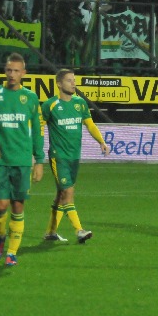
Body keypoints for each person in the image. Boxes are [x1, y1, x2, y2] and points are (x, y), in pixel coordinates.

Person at [0, 52, 44, 267]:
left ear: (24, 73)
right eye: (9, 70)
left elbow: (38, 131)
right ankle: (0, 234)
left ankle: (12, 252)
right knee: (1, 205)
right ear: (5, 71)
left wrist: (39, 160)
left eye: (16, 71)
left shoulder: (31, 98)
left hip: (22, 160)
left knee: (17, 206)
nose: (12, 74)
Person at [40, 69, 108, 243]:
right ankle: (79, 230)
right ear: (59, 84)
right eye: (69, 80)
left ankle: (50, 232)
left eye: (74, 80)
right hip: (58, 156)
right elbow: (40, 127)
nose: (73, 83)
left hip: (74, 157)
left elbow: (90, 124)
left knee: (62, 195)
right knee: (68, 192)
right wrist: (37, 150)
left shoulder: (80, 104)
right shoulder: (50, 105)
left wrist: (101, 141)